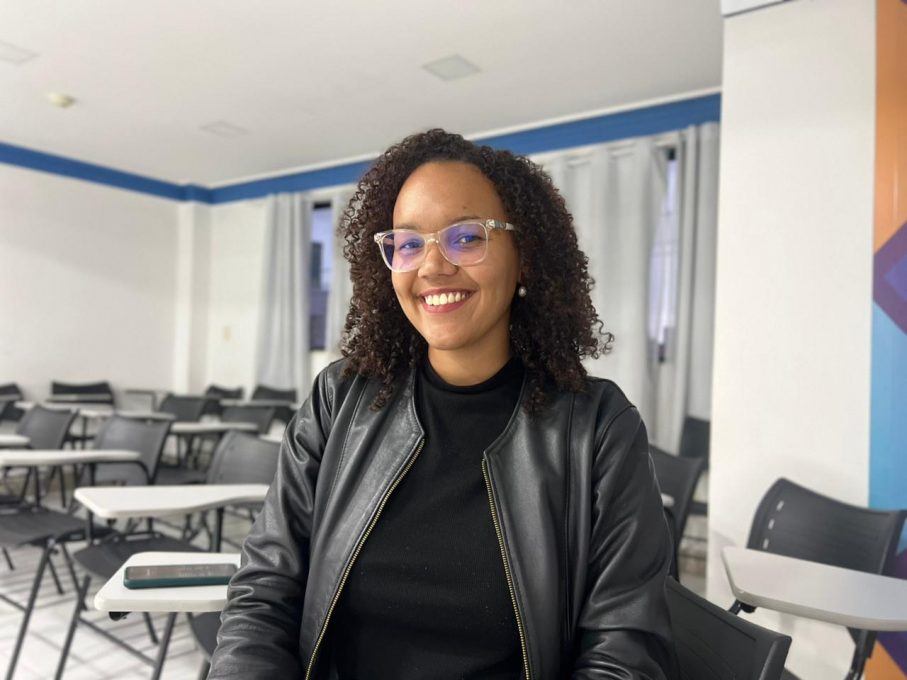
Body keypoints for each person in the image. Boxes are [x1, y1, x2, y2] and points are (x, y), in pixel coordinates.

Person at [207, 129, 674, 679]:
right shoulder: (339, 401)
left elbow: (624, 653)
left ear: (524, 257)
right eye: (408, 243)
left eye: (466, 237)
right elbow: (264, 591)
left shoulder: (597, 429)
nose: (431, 266)